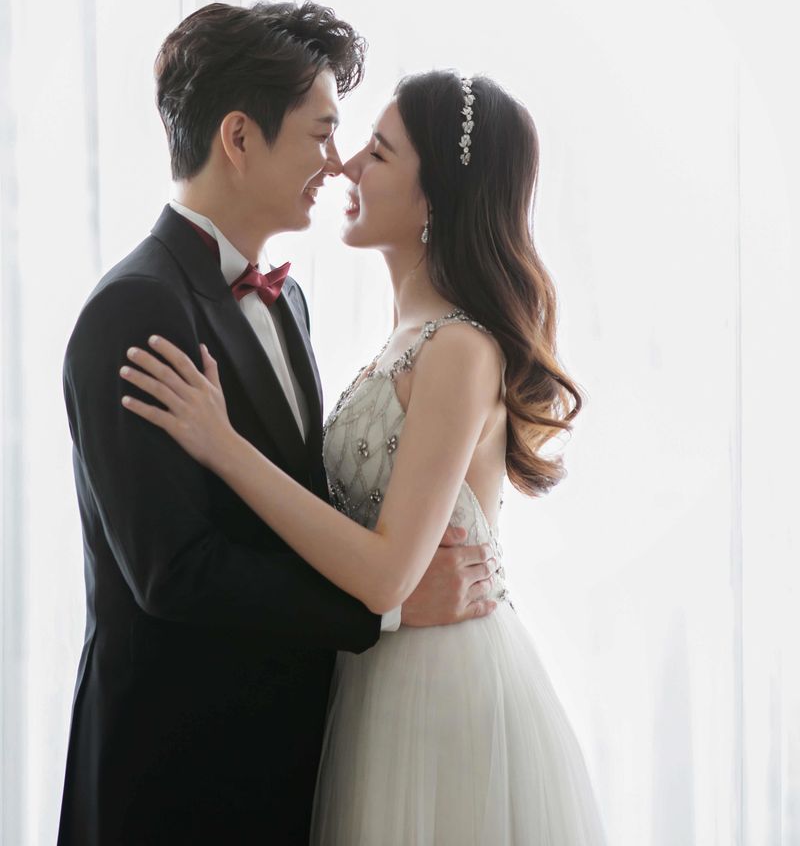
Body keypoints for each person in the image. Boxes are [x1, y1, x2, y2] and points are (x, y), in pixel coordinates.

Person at [122, 67, 609, 845]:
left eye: (377, 153)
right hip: (379, 677)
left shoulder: (459, 348)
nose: (345, 165)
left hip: (442, 695)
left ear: (435, 197)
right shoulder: (403, 340)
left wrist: (225, 447)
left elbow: (387, 576)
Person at [57, 2, 498, 846]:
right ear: (238, 137)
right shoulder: (134, 309)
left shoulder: (288, 298)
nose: (337, 164)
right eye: (321, 135)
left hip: (293, 765)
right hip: (172, 778)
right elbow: (173, 572)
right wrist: (385, 612)